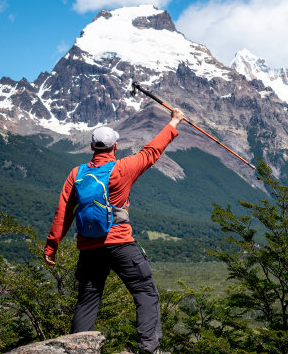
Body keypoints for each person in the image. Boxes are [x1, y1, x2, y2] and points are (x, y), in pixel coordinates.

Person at [44, 108, 186, 354]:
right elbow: (152, 152)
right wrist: (174, 121)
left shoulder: (76, 174)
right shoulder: (123, 168)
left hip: (89, 247)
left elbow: (63, 213)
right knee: (145, 291)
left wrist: (51, 246)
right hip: (120, 243)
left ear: (92, 148)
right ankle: (148, 348)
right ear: (115, 147)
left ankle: (77, 348)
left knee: (88, 300)